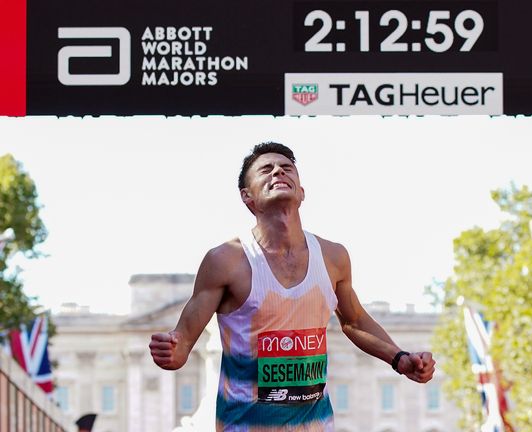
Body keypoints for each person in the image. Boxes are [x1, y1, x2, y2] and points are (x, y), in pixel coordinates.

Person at [149, 142, 436, 431]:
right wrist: (172, 351)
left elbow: (355, 321)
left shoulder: (333, 256)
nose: (278, 172)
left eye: (287, 168)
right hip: (244, 425)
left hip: (316, 424)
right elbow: (183, 342)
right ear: (247, 197)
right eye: (266, 169)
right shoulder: (225, 260)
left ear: (301, 192)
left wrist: (400, 358)